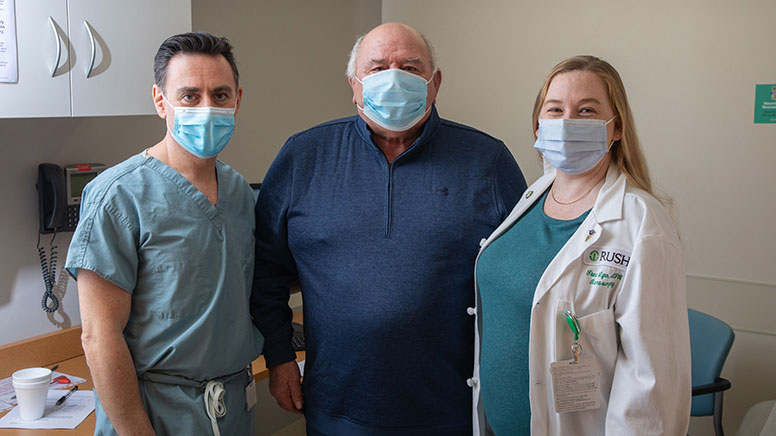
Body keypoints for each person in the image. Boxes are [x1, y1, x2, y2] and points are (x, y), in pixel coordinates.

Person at [251, 22, 527, 435]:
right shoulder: (303, 157)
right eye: (378, 68)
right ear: (354, 85)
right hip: (336, 407)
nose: (394, 79)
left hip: (451, 409)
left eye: (411, 68)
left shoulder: (487, 162)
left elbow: (520, 281)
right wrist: (279, 357)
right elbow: (264, 270)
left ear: (435, 84)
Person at [472, 55, 691, 435]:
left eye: (587, 110)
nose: (567, 121)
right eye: (555, 109)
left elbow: (651, 384)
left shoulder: (641, 223)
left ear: (616, 127)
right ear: (539, 125)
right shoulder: (531, 198)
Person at [65, 32, 262, 436]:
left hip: (233, 406)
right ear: (160, 101)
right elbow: (100, 338)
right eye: (190, 96)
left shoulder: (240, 192)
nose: (208, 108)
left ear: (237, 100)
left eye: (220, 95)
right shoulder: (117, 196)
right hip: (156, 414)